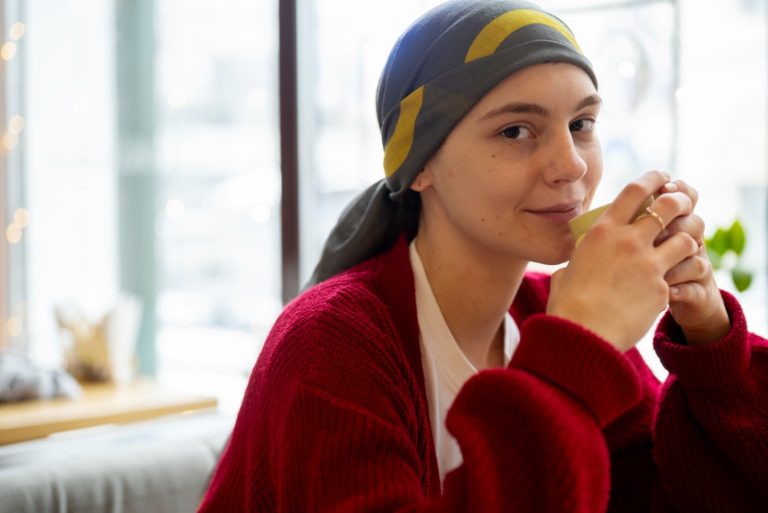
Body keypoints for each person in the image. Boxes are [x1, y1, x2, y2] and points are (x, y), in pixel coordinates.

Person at [198, 1, 768, 511]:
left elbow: (671, 495)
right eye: (517, 131)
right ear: (419, 165)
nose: (571, 165)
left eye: (581, 124)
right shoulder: (331, 343)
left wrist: (711, 346)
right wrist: (577, 349)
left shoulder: (544, 312)